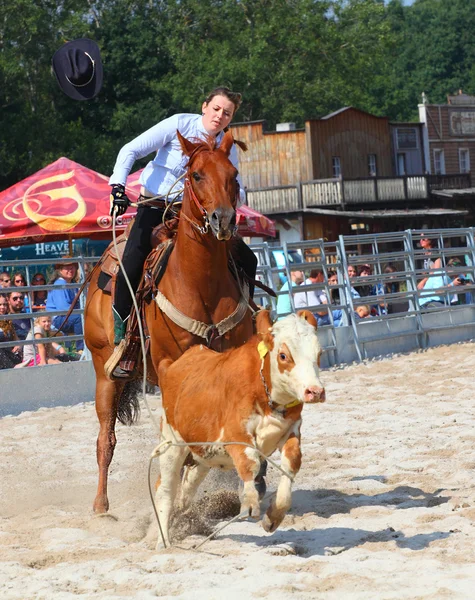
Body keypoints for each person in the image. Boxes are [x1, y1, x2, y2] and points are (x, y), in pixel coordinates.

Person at [107, 86, 256, 350]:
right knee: (132, 260)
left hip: (200, 216)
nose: (220, 116)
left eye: (227, 113)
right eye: (217, 109)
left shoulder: (227, 147)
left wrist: (230, 195)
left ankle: (247, 322)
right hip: (155, 206)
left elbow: (239, 189)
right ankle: (124, 332)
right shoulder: (178, 124)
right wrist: (118, 187)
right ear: (204, 106)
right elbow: (130, 150)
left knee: (247, 259)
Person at [46, 260, 84, 352]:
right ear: (60, 270)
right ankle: (81, 349)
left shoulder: (71, 284)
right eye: (67, 268)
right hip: (57, 319)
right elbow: (63, 309)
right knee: (80, 318)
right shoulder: (60, 284)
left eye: (72, 267)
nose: (70, 270)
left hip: (66, 317)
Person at [0, 294, 21, 369]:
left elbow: (16, 338)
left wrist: (18, 345)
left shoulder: (8, 321)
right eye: (0, 305)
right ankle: (14, 366)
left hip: (9, 354)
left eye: (5, 305)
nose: (2, 307)